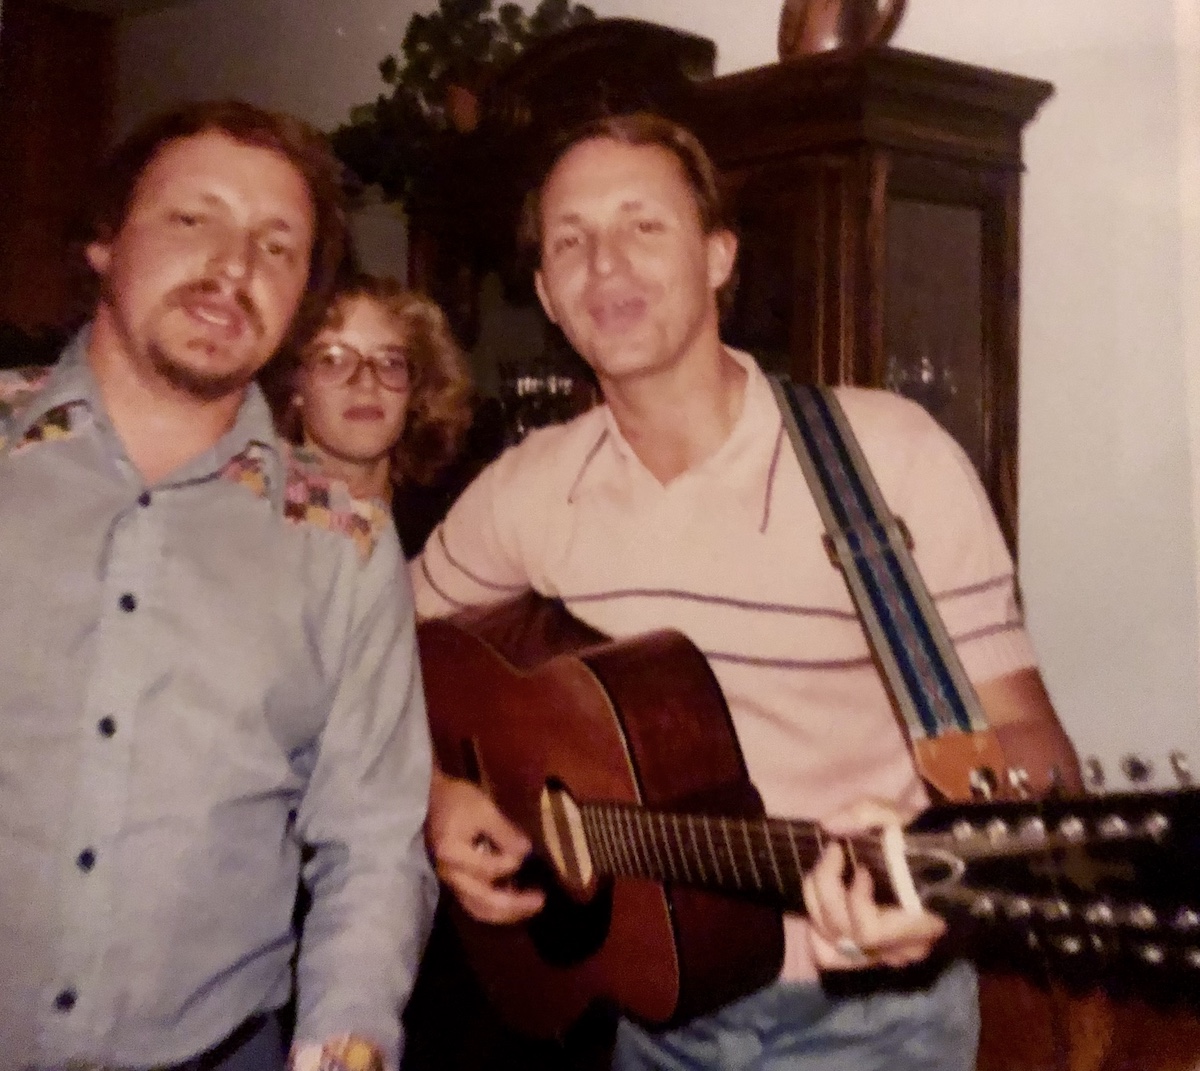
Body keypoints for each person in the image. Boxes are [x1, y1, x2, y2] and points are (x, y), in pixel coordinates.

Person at [411, 111, 1082, 1070]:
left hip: (871, 1021)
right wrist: (435, 792)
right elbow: (373, 650)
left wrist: (948, 863)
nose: (605, 263)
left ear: (719, 256)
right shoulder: (526, 487)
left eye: (644, 224)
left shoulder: (885, 458)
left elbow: (1030, 746)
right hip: (647, 1004)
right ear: (549, 299)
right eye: (571, 240)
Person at [0, 101, 437, 1071]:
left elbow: (373, 844)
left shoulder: (346, 541)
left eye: (278, 247)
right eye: (194, 220)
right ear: (105, 243)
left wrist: (346, 1044)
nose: (236, 267)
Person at [269, 272, 475, 557]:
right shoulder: (255, 518)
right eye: (333, 360)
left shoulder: (456, 522)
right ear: (295, 384)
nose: (367, 383)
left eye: (390, 362)